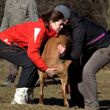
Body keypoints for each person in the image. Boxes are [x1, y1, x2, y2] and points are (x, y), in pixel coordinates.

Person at [0, 5, 70, 104]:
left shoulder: (48, 29)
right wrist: (46, 69)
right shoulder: (39, 28)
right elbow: (32, 52)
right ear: (51, 22)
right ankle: (18, 98)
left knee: (36, 63)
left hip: (14, 45)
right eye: (60, 24)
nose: (62, 27)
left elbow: (52, 35)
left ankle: (28, 94)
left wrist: (62, 47)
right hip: (4, 43)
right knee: (29, 62)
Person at [66, 9, 110, 110]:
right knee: (73, 69)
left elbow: (76, 54)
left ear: (64, 19)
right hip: (93, 47)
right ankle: (79, 102)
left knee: (88, 71)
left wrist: (66, 54)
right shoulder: (67, 26)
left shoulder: (78, 27)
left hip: (105, 45)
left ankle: (92, 106)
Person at [0, 0, 39, 87]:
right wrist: (1, 34)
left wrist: (36, 37)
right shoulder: (9, 2)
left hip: (26, 36)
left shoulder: (30, 1)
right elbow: (5, 19)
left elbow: (35, 20)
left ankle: (34, 78)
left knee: (29, 58)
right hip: (12, 34)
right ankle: (11, 78)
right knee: (14, 56)